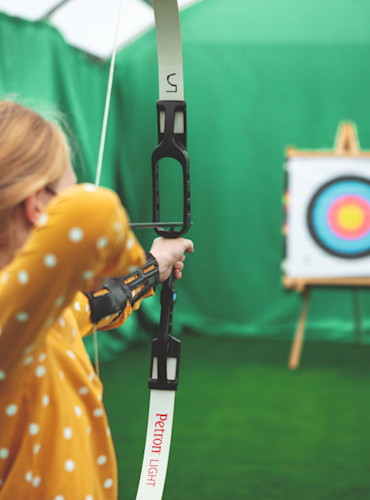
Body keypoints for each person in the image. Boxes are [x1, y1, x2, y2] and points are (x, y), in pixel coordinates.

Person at [0, 100, 194, 499]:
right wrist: (123, 257)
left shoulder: (37, 316)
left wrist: (152, 266)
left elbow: (94, 306)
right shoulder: (9, 321)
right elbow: (94, 211)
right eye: (67, 189)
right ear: (38, 206)